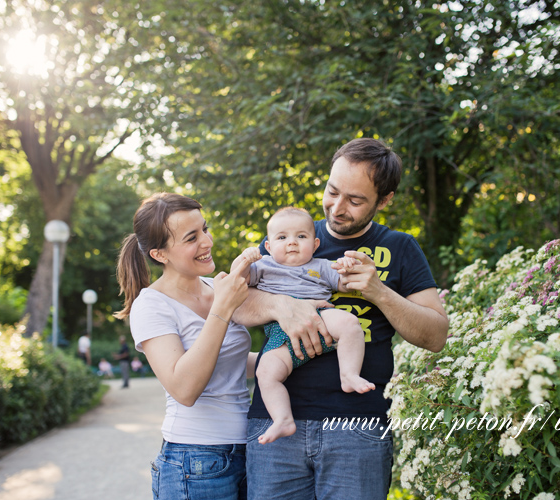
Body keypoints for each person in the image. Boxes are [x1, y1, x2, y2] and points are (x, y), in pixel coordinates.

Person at [237, 138, 449, 500]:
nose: (337, 208)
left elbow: (435, 335)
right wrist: (281, 307)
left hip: (356, 426)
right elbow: (235, 304)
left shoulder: (400, 248)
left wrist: (379, 292)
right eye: (332, 191)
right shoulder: (290, 235)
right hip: (274, 421)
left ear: (384, 200)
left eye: (355, 200)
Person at [113, 192, 260, 500]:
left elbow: (229, 362)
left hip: (251, 450)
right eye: (192, 237)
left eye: (204, 229)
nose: (206, 242)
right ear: (160, 254)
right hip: (194, 462)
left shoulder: (214, 289)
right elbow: (184, 388)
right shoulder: (151, 305)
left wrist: (290, 357)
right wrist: (222, 310)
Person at [231, 207, 374, 445]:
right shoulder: (264, 266)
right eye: (282, 237)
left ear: (315, 243)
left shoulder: (322, 266)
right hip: (281, 333)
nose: (292, 243)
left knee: (349, 322)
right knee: (265, 373)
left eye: (301, 236)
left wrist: (348, 265)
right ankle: (283, 419)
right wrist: (245, 259)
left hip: (321, 318)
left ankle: (349, 374)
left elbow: (347, 284)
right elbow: (237, 280)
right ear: (267, 246)